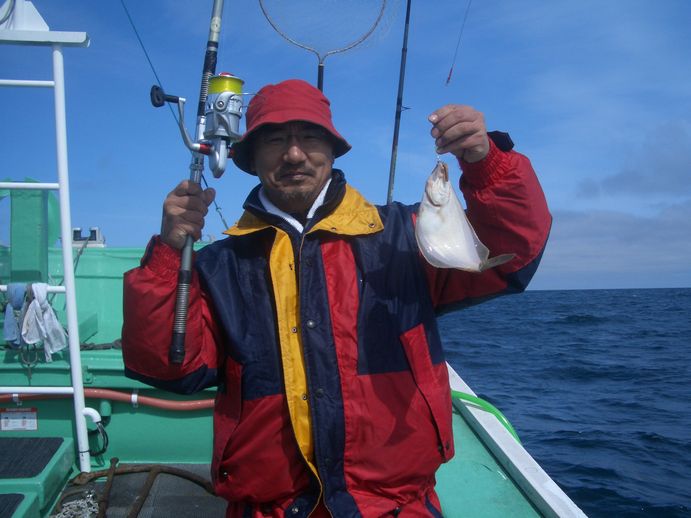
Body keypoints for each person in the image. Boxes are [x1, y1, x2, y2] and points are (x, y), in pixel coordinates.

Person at [122, 79, 551, 517]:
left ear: (332, 149)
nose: (293, 154)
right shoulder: (217, 265)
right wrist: (168, 254)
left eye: (309, 136)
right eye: (274, 139)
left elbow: (512, 254)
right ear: (251, 159)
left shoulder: (407, 236)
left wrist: (484, 163)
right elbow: (170, 368)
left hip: (396, 506)